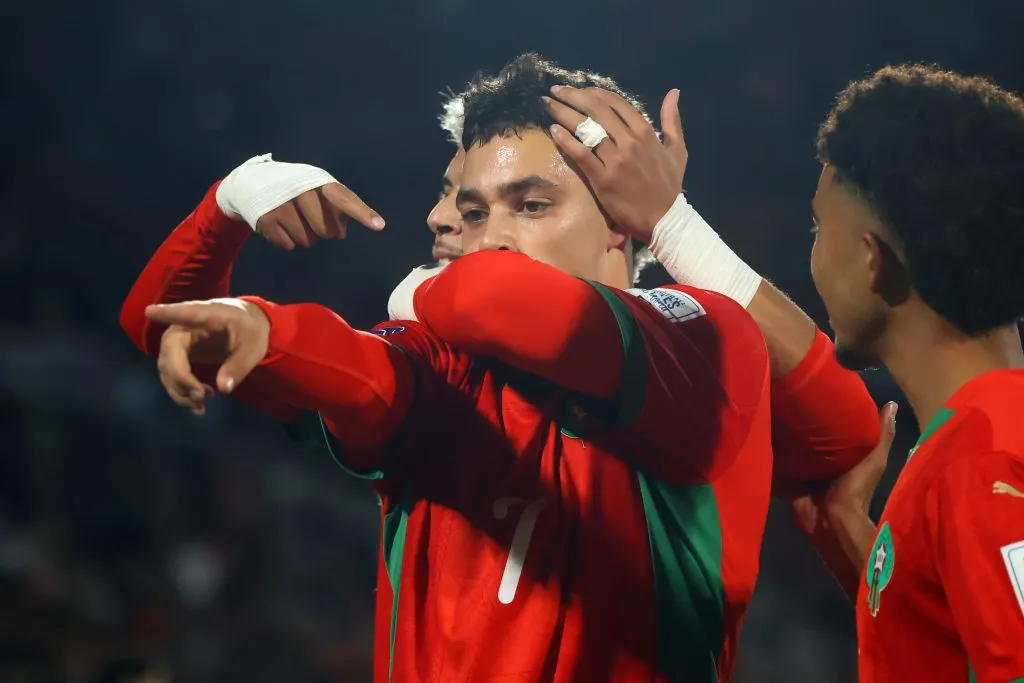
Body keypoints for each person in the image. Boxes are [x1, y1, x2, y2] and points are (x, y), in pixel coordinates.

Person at [126, 54, 778, 682]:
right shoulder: (444, 369)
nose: (489, 239)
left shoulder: (701, 336)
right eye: (473, 213)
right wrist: (237, 242)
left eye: (530, 205)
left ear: (621, 222)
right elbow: (166, 326)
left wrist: (414, 289)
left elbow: (490, 296)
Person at [789, 64, 1024, 682]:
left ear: (873, 261)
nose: (810, 253)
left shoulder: (981, 466)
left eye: (818, 228)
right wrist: (863, 547)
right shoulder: (985, 441)